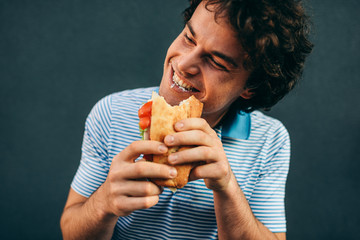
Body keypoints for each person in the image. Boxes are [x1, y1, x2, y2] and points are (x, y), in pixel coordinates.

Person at [60, 0, 313, 239]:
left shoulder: (270, 141)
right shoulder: (111, 113)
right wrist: (103, 204)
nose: (184, 63)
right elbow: (70, 231)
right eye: (189, 38)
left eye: (215, 61)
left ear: (250, 87)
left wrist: (226, 187)